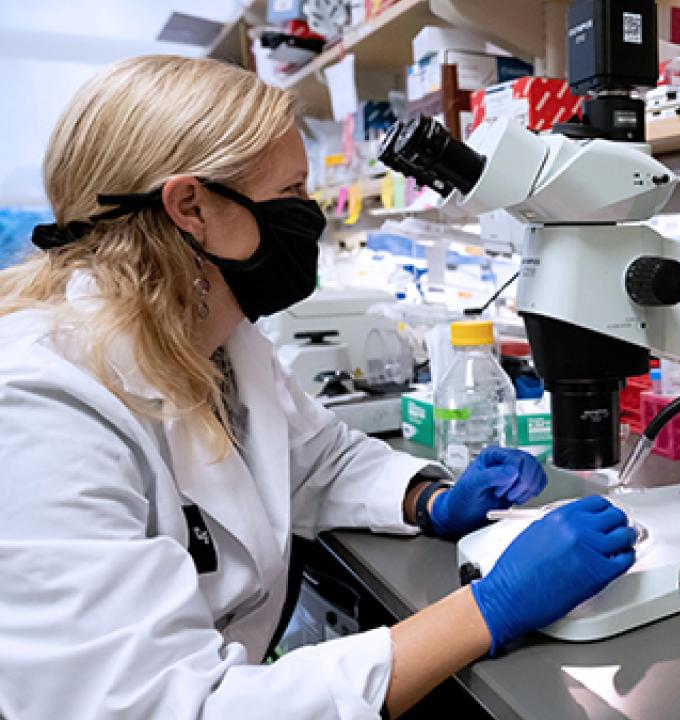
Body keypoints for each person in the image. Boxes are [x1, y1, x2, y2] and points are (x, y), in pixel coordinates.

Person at [0, 56, 637, 719]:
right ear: (192, 207)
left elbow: (314, 459)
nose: (310, 217)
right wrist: (486, 610)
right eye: (293, 192)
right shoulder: (40, 406)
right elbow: (171, 709)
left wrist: (432, 500)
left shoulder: (216, 338)